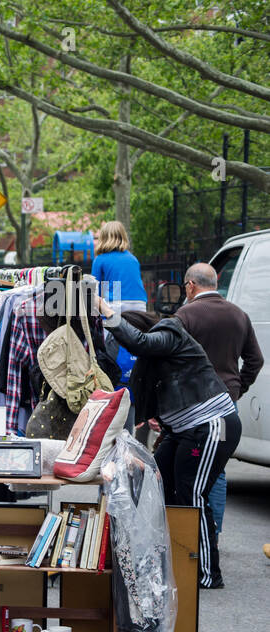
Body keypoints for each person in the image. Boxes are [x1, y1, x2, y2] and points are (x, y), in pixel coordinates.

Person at [100, 300, 240, 589]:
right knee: (155, 481)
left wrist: (105, 309)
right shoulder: (152, 359)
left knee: (193, 494)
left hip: (215, 424)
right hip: (185, 430)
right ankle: (174, 559)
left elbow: (138, 342)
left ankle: (207, 573)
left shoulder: (170, 331)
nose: (126, 348)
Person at [176, 261, 263, 536]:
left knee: (190, 465)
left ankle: (193, 534)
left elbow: (171, 361)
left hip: (193, 410)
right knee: (219, 468)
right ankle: (214, 533)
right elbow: (255, 360)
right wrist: (237, 388)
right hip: (226, 409)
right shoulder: (239, 315)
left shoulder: (185, 315)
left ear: (191, 286)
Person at [92, 220, 149, 383]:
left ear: (103, 237)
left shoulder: (101, 259)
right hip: (138, 303)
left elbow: (95, 290)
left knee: (111, 343)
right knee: (134, 340)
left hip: (114, 302)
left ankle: (112, 377)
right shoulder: (133, 259)